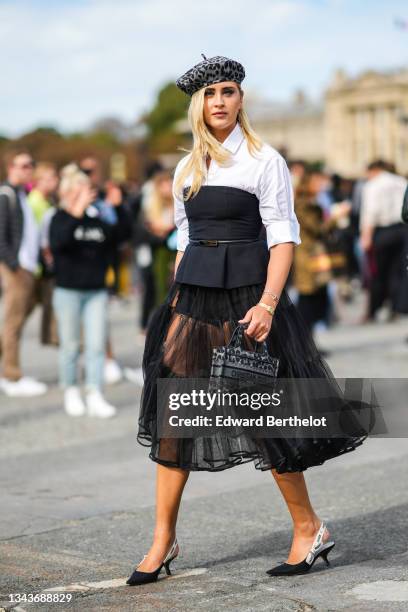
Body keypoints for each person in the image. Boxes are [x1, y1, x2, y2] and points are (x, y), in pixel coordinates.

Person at [127, 55, 370, 585]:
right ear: (199, 104)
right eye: (211, 93)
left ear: (241, 99)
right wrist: (176, 299)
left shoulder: (264, 159)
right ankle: (162, 541)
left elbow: (284, 237)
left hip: (248, 297)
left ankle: (309, 529)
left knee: (262, 413)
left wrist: (266, 303)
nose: (220, 101)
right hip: (192, 295)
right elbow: (185, 238)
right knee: (177, 411)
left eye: (228, 91)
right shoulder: (187, 167)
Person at [49, 164, 130, 417]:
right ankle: (71, 389)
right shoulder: (59, 218)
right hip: (68, 291)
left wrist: (117, 207)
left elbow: (121, 237)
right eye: (81, 189)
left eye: (88, 189)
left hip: (96, 291)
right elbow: (60, 242)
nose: (88, 193)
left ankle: (95, 392)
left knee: (96, 345)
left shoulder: (97, 219)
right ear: (69, 192)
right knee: (71, 345)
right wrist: (76, 211)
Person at [0, 150, 47, 397]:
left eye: (31, 165)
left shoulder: (21, 194)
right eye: (24, 165)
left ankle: (8, 368)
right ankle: (11, 375)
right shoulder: (5, 194)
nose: (29, 169)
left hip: (27, 267)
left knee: (15, 320)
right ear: (11, 167)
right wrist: (13, 264)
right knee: (13, 322)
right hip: (16, 268)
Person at [293, 171, 350, 337]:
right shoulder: (303, 205)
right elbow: (318, 230)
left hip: (316, 256)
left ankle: (311, 343)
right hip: (307, 257)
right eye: (316, 182)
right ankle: (306, 344)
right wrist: (335, 217)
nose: (321, 185)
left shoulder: (313, 203)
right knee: (308, 299)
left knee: (318, 297)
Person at [360, 160, 408, 320]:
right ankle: (396, 307)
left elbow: (371, 212)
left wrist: (366, 236)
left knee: (377, 272)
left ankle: (374, 309)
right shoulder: (400, 181)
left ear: (374, 170)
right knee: (397, 271)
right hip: (402, 230)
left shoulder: (373, 185)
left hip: (382, 231)